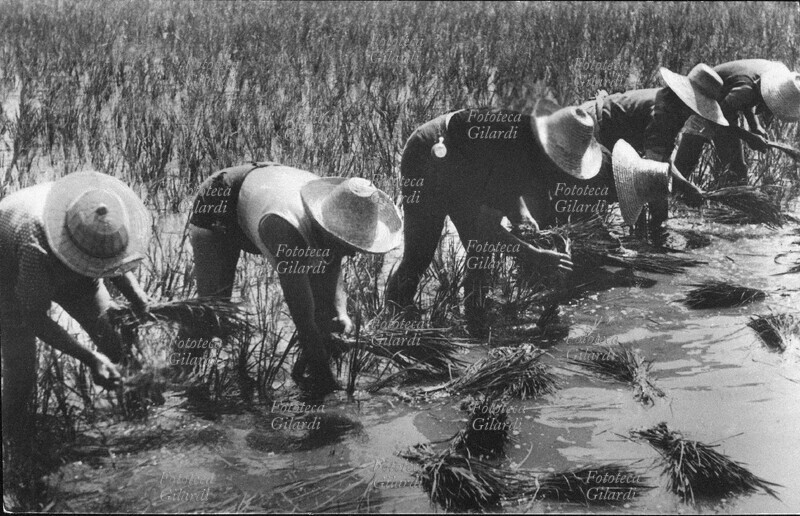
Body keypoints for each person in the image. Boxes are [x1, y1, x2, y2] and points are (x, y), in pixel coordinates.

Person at [183, 162, 402, 394]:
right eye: (349, 244)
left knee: (326, 312)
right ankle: (178, 377)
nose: (353, 252)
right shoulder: (286, 229)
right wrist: (328, 385)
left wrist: (340, 312)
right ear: (328, 231)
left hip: (267, 189)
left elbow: (333, 261)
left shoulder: (338, 209)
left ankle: (302, 373)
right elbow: (303, 319)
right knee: (213, 311)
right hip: (223, 199)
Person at [384, 104, 589, 337]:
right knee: (419, 255)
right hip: (429, 153)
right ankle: (394, 325)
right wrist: (533, 255)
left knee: (479, 254)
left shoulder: (533, 147)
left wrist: (522, 214)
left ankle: (477, 324)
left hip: (470, 162)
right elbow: (486, 229)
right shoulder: (519, 147)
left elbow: (506, 184)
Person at [0, 171, 151, 443]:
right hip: (6, 272)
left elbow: (113, 255)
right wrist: (91, 359)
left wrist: (138, 298)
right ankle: (12, 439)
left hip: (63, 253)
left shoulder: (96, 214)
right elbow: (34, 318)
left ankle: (141, 420)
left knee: (116, 344)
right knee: (21, 370)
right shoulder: (36, 249)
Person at [579, 63, 729, 231]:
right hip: (588, 130)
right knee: (592, 201)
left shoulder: (670, 104)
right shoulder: (665, 114)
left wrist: (685, 185)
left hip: (595, 125)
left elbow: (663, 161)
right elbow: (653, 172)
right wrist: (661, 221)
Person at [701, 59, 800, 183]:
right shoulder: (746, 90)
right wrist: (749, 137)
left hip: (726, 103)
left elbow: (750, 98)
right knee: (690, 150)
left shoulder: (767, 83)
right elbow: (717, 119)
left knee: (737, 168)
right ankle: (677, 193)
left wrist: (755, 126)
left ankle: (731, 192)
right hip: (702, 95)